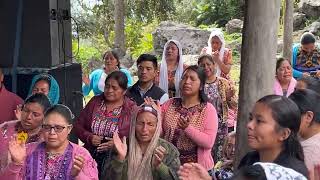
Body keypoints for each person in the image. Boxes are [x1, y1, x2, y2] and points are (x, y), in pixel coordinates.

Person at [1, 104, 98, 179]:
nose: (52, 132)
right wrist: (16, 163)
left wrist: (78, 176)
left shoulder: (80, 155)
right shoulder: (28, 150)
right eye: (47, 127)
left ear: (69, 129)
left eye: (58, 128)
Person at [74, 71, 137, 178]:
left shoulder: (131, 109)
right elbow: (78, 126)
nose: (109, 90)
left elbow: (138, 136)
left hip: (117, 160)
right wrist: (90, 137)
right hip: (91, 155)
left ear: (124, 91)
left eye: (114, 88)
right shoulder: (95, 102)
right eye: (107, 86)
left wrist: (118, 143)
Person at [161, 65, 218, 176]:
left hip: (196, 171)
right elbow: (160, 133)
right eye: (184, 77)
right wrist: (152, 113)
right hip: (169, 166)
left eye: (192, 79)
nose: (187, 81)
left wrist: (187, 129)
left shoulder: (208, 109)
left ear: (201, 86)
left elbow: (209, 142)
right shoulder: (169, 104)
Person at [238, 95, 308, 177]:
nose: (249, 125)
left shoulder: (291, 174)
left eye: (259, 121)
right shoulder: (249, 159)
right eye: (250, 118)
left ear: (284, 134)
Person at [105, 104, 181, 180]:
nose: (144, 129)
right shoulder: (121, 147)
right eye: (140, 123)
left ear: (157, 127)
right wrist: (120, 159)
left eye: (150, 124)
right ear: (133, 124)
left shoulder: (169, 150)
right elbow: (107, 177)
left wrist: (160, 166)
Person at [198, 54, 237, 162]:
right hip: (203, 124)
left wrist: (228, 98)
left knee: (220, 153)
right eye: (202, 65)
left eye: (208, 64)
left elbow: (235, 105)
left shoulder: (223, 82)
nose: (206, 67)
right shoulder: (197, 84)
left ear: (214, 65)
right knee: (204, 152)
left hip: (221, 125)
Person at [0, 93, 51, 171]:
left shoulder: (47, 139)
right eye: (26, 111)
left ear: (45, 117)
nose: (28, 117)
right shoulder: (5, 128)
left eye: (35, 114)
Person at [289, 89, 320, 173]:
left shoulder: (310, 152)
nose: (287, 120)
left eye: (292, 115)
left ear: (308, 116)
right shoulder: (302, 136)